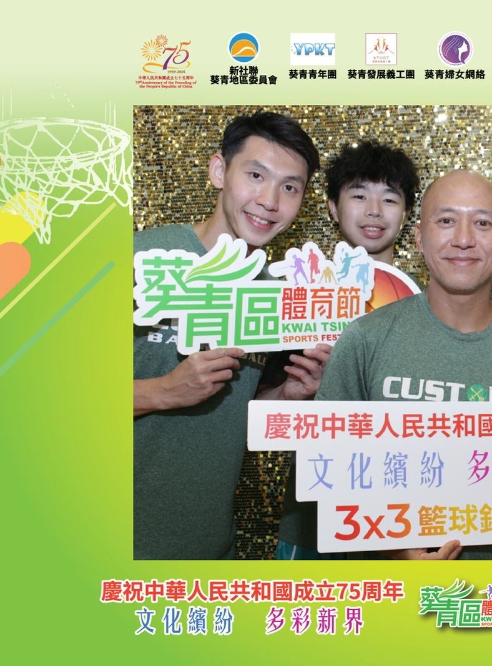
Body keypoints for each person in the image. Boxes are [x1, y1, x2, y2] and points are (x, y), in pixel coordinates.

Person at [278, 170, 492, 560]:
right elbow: (324, 474)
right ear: (418, 236)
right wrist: (393, 553)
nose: (463, 239)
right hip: (384, 588)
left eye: (483, 223)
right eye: (446, 220)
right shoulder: (366, 338)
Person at [133, 111, 326, 559]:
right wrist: (163, 391)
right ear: (219, 171)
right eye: (256, 175)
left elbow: (240, 413)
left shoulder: (276, 295)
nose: (270, 201)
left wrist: (287, 395)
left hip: (206, 547)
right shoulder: (140, 259)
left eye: (290, 187)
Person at [275, 140, 420, 560]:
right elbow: (260, 407)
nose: (374, 211)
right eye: (358, 196)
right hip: (314, 513)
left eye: (389, 199)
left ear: (406, 214)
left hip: (402, 514)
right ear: (333, 209)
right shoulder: (298, 298)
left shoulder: (427, 302)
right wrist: (303, 392)